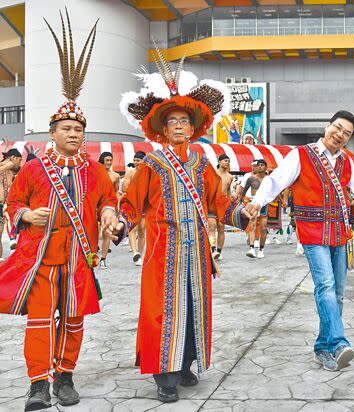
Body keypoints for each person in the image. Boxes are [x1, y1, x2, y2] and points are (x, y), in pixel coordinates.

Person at [0, 13, 119, 410]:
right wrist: (25, 216)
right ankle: (38, 384)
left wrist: (107, 215)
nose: (73, 134)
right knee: (38, 323)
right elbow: (12, 202)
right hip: (41, 259)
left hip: (78, 258)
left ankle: (65, 376)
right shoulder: (33, 168)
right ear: (52, 132)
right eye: (66, 128)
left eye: (78, 129)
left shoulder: (94, 170)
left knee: (73, 321)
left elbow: (108, 200)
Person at [117, 48, 249, 402]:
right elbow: (132, 202)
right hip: (162, 253)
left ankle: (186, 363)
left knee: (193, 309)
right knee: (162, 312)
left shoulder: (202, 165)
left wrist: (240, 213)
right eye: (172, 121)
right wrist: (120, 223)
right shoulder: (152, 163)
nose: (178, 125)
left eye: (183, 121)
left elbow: (217, 202)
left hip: (197, 254)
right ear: (162, 128)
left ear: (193, 128)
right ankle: (164, 375)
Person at [245, 110, 354, 371]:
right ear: (327, 126)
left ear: (349, 139)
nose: (340, 134)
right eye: (337, 127)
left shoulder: (345, 162)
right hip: (312, 231)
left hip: (340, 232)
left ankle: (323, 346)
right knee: (325, 285)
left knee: (339, 293)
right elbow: (275, 181)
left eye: (346, 133)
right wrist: (256, 202)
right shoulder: (301, 154)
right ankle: (339, 342)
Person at [238, 159, 269, 258]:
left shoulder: (269, 179)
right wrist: (238, 199)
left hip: (264, 205)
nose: (260, 167)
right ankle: (251, 248)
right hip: (253, 203)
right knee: (252, 225)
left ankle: (261, 249)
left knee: (263, 228)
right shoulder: (251, 179)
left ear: (265, 168)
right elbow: (243, 192)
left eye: (262, 165)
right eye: (258, 165)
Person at [121, 151, 146, 265]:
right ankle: (135, 252)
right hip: (133, 204)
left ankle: (140, 254)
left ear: (143, 161)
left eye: (138, 160)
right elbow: (125, 188)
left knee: (142, 230)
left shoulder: (148, 173)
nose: (136, 162)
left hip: (144, 205)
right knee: (132, 228)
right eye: (134, 160)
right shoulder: (130, 172)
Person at [98, 152, 120, 269]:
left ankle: (103, 259)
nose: (109, 162)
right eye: (106, 160)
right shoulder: (96, 173)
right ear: (102, 160)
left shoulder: (115, 176)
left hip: (109, 206)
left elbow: (116, 191)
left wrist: (117, 205)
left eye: (110, 160)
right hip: (95, 205)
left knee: (106, 232)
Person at [0, 148, 22, 260]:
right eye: (19, 160)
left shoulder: (11, 172)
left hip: (2, 206)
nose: (20, 163)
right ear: (13, 158)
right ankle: (12, 239)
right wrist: (8, 165)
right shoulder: (4, 167)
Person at [211, 154, 234, 261]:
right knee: (212, 227)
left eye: (229, 161)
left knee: (221, 227)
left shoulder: (230, 176)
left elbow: (228, 191)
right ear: (219, 162)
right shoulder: (212, 173)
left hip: (223, 204)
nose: (227, 163)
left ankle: (219, 252)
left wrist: (230, 205)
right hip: (212, 203)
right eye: (225, 161)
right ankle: (212, 250)